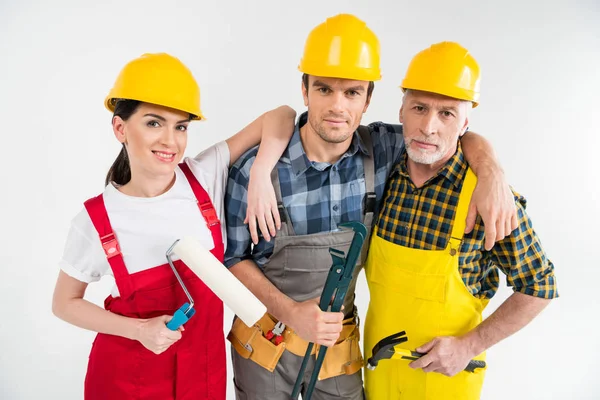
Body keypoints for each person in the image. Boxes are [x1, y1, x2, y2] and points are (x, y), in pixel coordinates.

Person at [225, 14, 516, 399]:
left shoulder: (384, 152)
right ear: (304, 91)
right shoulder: (254, 171)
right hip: (263, 349)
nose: (336, 106)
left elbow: (451, 134)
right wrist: (290, 312)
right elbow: (232, 258)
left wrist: (492, 172)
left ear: (368, 99)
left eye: (352, 93)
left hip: (336, 353)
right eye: (324, 89)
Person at [51, 52, 295, 400]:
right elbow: (64, 303)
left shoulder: (204, 177)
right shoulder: (96, 220)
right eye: (154, 123)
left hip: (204, 379)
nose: (171, 140)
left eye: (180, 126)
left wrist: (259, 174)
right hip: (126, 382)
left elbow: (281, 115)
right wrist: (138, 330)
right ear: (120, 128)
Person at [363, 41, 557, 400]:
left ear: (465, 123)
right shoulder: (379, 174)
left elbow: (540, 285)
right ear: (401, 111)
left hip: (447, 384)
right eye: (419, 107)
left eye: (447, 113)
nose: (429, 127)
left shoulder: (490, 200)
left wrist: (470, 345)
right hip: (379, 376)